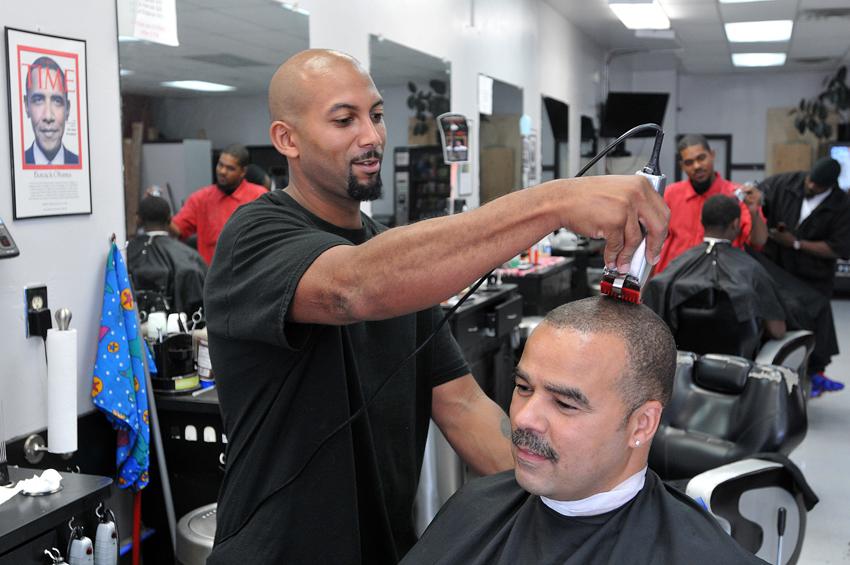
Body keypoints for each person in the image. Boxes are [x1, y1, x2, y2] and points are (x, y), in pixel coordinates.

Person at [203, 49, 668, 564]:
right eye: (344, 119)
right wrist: (554, 202)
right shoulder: (254, 236)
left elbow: (463, 408)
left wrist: (578, 507)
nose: (372, 137)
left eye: (377, 115)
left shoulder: (400, 267)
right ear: (287, 139)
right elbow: (352, 289)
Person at [401, 297, 765, 565]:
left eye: (564, 404)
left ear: (642, 424)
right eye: (523, 388)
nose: (525, 418)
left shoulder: (699, 555)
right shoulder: (474, 506)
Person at [758, 156, 850, 394]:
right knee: (782, 321)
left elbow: (839, 248)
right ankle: (780, 376)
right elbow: (761, 191)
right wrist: (754, 196)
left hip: (814, 275)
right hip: (777, 267)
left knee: (815, 319)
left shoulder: (842, 205)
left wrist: (796, 243)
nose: (809, 187)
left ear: (830, 186)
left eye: (816, 186)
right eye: (810, 181)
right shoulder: (788, 182)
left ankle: (815, 373)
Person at [643, 194, 788, 342]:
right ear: (736, 223)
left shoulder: (677, 266)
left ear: (701, 222)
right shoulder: (752, 269)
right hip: (737, 361)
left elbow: (652, 312)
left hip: (682, 359)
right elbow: (777, 330)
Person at [654, 134, 767, 273]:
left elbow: (759, 242)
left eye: (701, 158)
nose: (697, 166)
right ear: (682, 166)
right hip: (673, 280)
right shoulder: (669, 195)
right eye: (689, 162)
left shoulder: (737, 196)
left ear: (712, 155)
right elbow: (652, 244)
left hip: (720, 281)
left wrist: (754, 212)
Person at [167, 144, 266, 264]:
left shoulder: (258, 196)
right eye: (220, 165)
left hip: (248, 272)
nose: (222, 171)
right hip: (211, 274)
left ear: (243, 171)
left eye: (230, 168)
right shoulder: (201, 198)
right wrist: (160, 214)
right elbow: (177, 229)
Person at [127, 195, 207, 316]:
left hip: (131, 326)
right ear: (170, 220)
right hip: (180, 329)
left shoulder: (124, 253)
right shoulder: (189, 256)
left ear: (138, 219)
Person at [23, 56, 79, 166]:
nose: (48, 116)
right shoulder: (17, 163)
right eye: (38, 100)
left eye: (57, 101)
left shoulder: (80, 163)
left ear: (67, 109)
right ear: (26, 106)